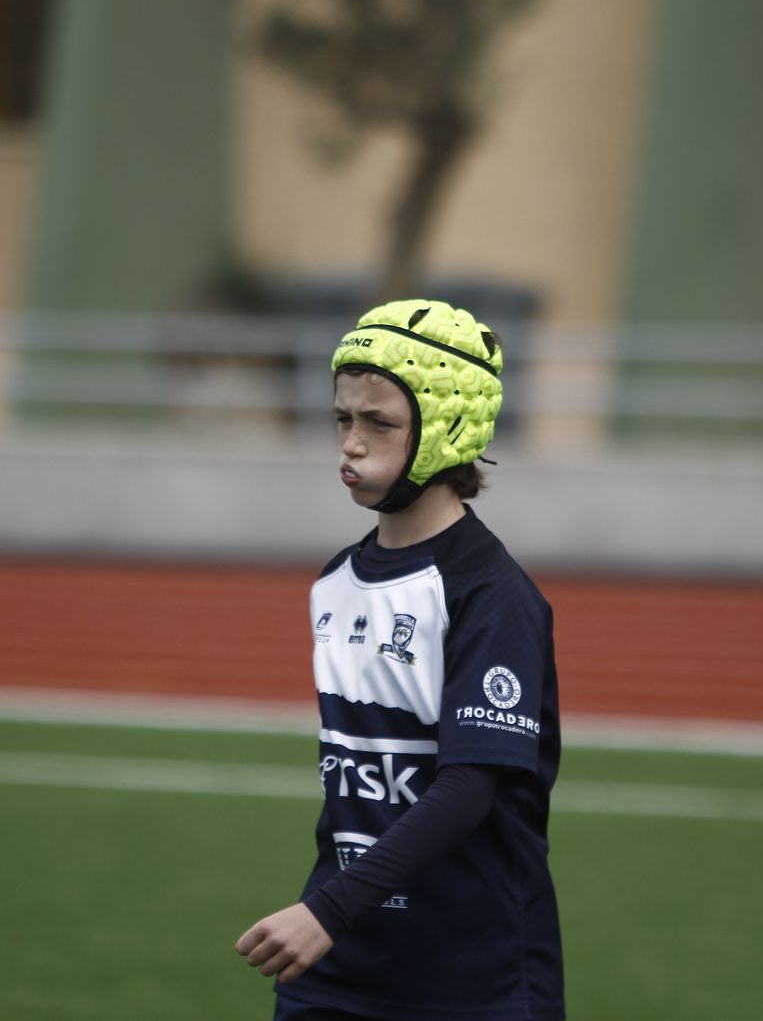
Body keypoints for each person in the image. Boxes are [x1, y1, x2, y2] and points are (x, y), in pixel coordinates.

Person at [234, 300, 564, 1021]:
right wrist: (337, 917)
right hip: (338, 971)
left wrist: (326, 910)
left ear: (449, 430)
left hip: (473, 982)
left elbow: (469, 787)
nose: (350, 442)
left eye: (378, 423)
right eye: (343, 419)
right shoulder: (335, 582)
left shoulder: (492, 594)